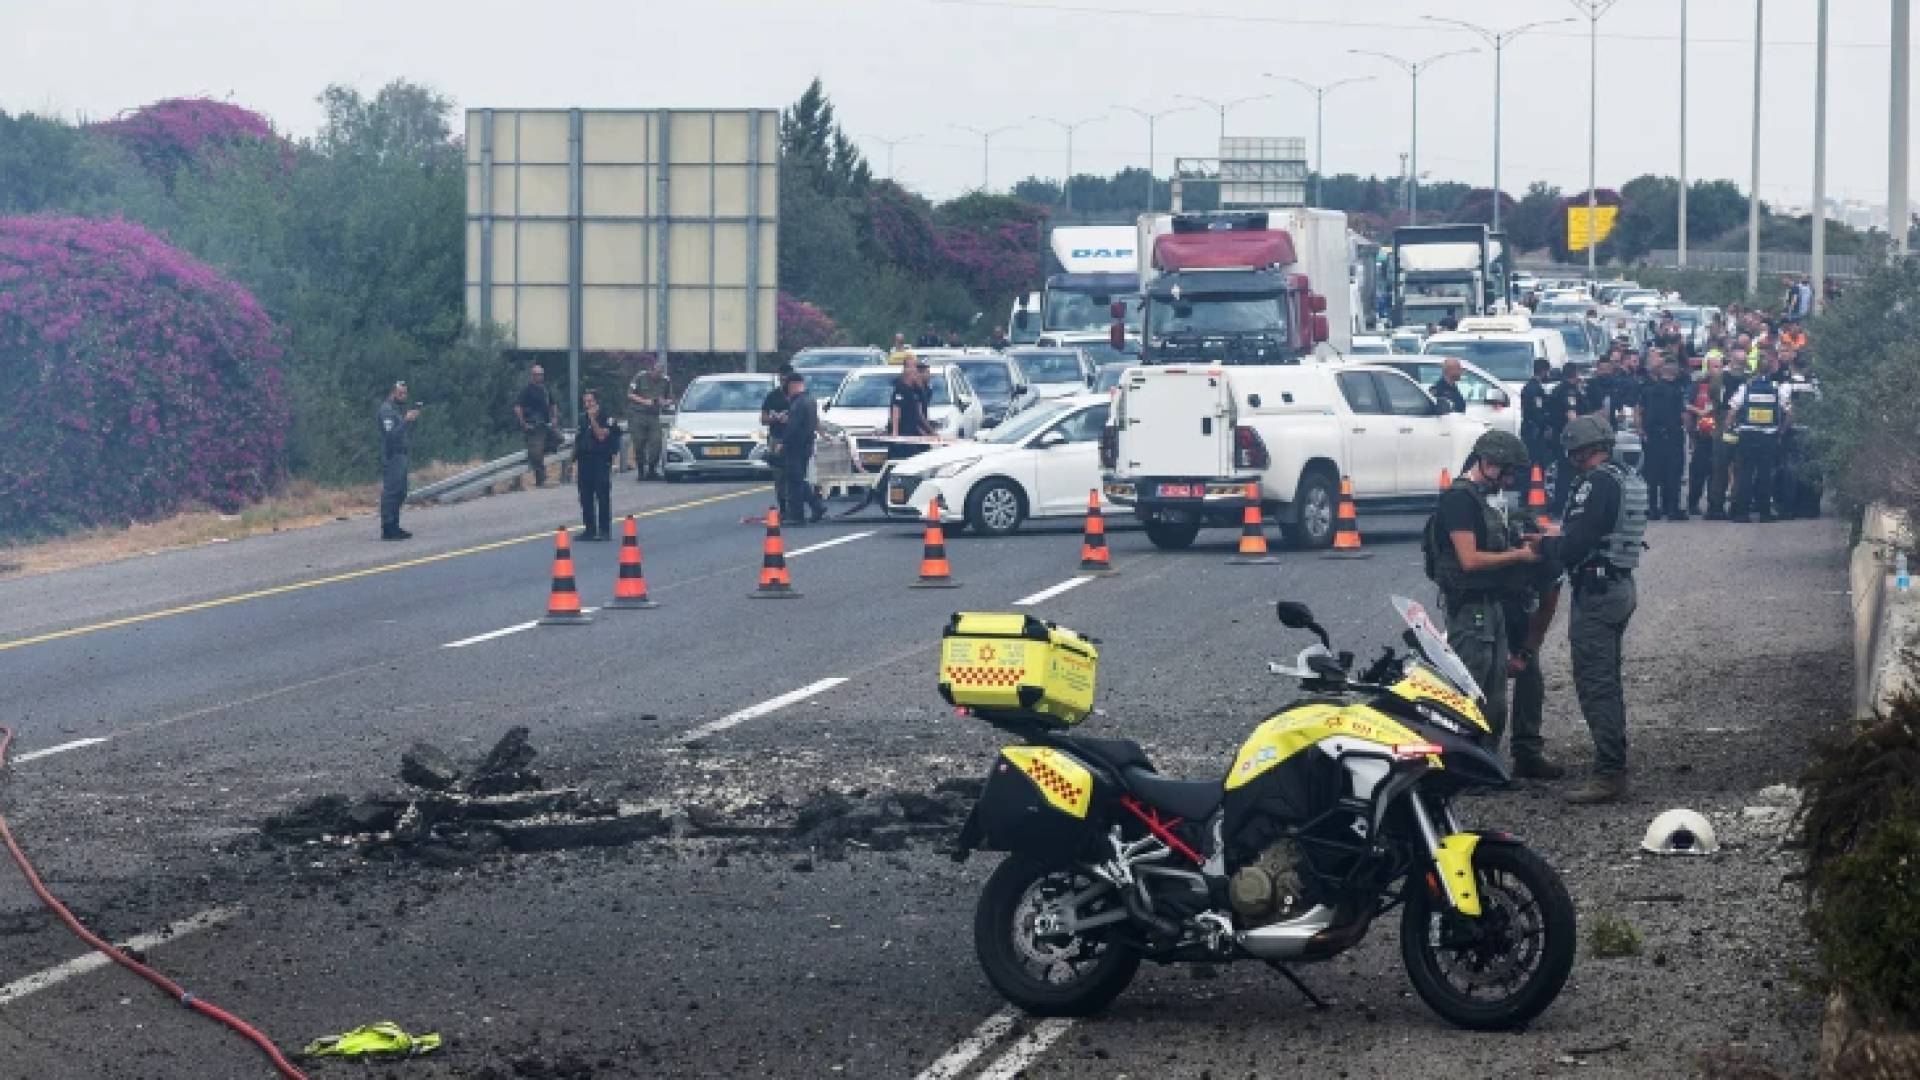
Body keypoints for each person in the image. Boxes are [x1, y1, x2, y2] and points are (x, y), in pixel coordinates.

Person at [1423, 431, 1546, 772]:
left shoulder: (1482, 500)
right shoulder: (1459, 502)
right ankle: (1463, 765)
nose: (1508, 481)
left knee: (1493, 696)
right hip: (1470, 609)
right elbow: (1470, 561)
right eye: (1506, 473)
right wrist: (1518, 556)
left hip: (1491, 606)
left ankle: (1483, 761)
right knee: (1471, 690)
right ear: (1488, 464)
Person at [1542, 415, 1647, 805]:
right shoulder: (1625, 477)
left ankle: (1609, 774)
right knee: (1605, 679)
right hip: (1618, 585)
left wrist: (1540, 547)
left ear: (1582, 449)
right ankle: (1610, 765)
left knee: (1596, 682)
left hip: (1599, 592)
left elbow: (1576, 543)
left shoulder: (1597, 482)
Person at [1726, 363, 1783, 523]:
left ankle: (1742, 513)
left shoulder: (1746, 387)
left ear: (1755, 372)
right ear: (1771, 371)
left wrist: (1730, 428)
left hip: (1747, 436)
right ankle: (1764, 513)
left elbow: (1732, 411)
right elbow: (1789, 412)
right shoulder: (1777, 388)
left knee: (1745, 474)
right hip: (1768, 437)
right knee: (1765, 475)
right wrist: (1781, 429)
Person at [1637, 357, 1690, 521]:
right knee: (1672, 473)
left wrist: (1641, 430)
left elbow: (1639, 410)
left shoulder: (1648, 389)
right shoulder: (1676, 390)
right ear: (1674, 371)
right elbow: (1682, 415)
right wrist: (1689, 430)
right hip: (1671, 435)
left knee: (1652, 473)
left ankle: (1652, 508)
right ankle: (1672, 509)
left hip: (1653, 436)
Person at [572, 390, 619, 540]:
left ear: (596, 402)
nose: (588, 405)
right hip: (585, 462)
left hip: (600, 460)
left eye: (590, 401)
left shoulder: (607, 417)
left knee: (602, 496)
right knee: (585, 497)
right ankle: (589, 529)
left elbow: (601, 436)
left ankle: (604, 530)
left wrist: (593, 420)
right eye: (585, 402)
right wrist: (574, 464)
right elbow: (578, 442)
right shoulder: (582, 418)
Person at [778, 370, 822, 526]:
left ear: (793, 385)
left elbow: (793, 426)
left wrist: (782, 442)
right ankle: (804, 511)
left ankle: (805, 511)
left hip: (796, 446)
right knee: (798, 479)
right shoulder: (810, 400)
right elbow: (812, 421)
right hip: (807, 445)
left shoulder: (799, 403)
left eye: (788, 386)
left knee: (795, 480)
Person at [377, 381, 419, 541]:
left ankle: (395, 525)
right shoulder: (386, 411)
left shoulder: (396, 410)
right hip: (392, 454)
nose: (404, 396)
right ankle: (387, 528)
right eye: (401, 393)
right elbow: (391, 435)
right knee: (391, 492)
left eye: (405, 393)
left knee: (401, 491)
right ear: (393, 393)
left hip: (401, 455)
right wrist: (406, 421)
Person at [1545, 365, 1588, 513]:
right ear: (1575, 374)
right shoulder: (1569, 391)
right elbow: (1571, 414)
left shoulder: (1558, 389)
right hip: (1569, 437)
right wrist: (1580, 435)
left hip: (1560, 435)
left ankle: (1560, 504)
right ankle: (1563, 505)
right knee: (1567, 472)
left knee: (1564, 471)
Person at [625, 356, 671, 481]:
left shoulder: (665, 381)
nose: (659, 373)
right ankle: (641, 471)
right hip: (638, 415)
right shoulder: (640, 377)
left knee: (656, 443)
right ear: (651, 370)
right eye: (657, 371)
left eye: (661, 371)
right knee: (639, 443)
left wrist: (664, 402)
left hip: (653, 416)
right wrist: (645, 401)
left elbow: (669, 398)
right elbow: (630, 394)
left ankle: (652, 470)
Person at [514, 364, 559, 488]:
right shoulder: (527, 390)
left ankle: (539, 450)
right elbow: (518, 407)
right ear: (532, 376)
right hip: (533, 426)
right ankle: (541, 479)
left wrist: (554, 418)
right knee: (536, 452)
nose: (540, 377)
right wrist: (523, 423)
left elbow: (553, 404)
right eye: (537, 374)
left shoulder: (545, 389)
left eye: (541, 374)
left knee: (559, 439)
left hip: (545, 424)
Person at [1520, 357, 1555, 472]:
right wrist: (1546, 426)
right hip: (1534, 431)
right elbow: (1537, 411)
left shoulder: (1530, 386)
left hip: (1529, 428)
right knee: (1536, 461)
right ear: (1544, 371)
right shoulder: (1535, 389)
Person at [761, 364, 793, 478]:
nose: (783, 382)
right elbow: (763, 419)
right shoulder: (772, 396)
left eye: (786, 379)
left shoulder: (799, 396)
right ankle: (782, 495)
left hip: (794, 439)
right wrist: (776, 419)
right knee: (779, 473)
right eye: (781, 378)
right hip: (776, 437)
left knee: (794, 472)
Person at [890, 361, 935, 437]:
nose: (929, 375)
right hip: (904, 433)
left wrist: (928, 432)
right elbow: (896, 410)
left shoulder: (921, 391)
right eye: (916, 374)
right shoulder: (901, 389)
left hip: (915, 431)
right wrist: (895, 431)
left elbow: (918, 414)